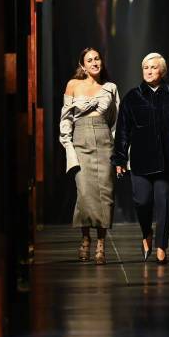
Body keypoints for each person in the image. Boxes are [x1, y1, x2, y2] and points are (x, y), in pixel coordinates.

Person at [112, 53, 169, 264]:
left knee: (164, 203)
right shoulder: (132, 97)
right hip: (140, 160)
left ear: (162, 71)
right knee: (141, 200)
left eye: (153, 67)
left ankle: (162, 246)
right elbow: (123, 131)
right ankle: (146, 232)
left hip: (167, 160)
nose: (148, 70)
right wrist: (119, 159)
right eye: (145, 67)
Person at [60, 47, 120, 265]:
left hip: (104, 142)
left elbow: (115, 121)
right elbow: (66, 118)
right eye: (89, 60)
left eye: (97, 59)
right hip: (80, 141)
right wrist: (67, 144)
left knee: (106, 192)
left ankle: (101, 243)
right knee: (84, 193)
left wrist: (118, 151)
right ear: (82, 65)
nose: (95, 62)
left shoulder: (110, 87)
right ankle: (85, 238)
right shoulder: (73, 85)